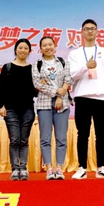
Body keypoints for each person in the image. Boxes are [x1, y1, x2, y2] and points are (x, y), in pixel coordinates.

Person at [68, 19, 104, 179]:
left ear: (97, 31)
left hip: (102, 100)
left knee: (101, 134)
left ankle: (101, 168)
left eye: (92, 28)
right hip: (83, 98)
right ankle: (82, 168)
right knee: (82, 134)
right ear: (82, 32)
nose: (90, 31)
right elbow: (71, 75)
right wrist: (86, 66)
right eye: (86, 29)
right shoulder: (75, 54)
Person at [32, 36, 73, 180]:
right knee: (45, 138)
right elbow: (37, 84)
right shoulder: (37, 64)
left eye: (50, 44)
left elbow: (68, 79)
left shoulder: (63, 62)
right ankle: (49, 168)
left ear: (55, 46)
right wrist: (56, 91)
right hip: (44, 104)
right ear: (40, 48)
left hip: (63, 104)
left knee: (61, 138)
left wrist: (60, 96)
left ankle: (59, 168)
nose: (48, 47)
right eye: (44, 45)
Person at [0, 38, 37, 181]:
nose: (23, 51)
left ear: (29, 51)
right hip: (10, 109)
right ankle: (15, 169)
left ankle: (23, 168)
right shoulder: (7, 67)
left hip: (27, 109)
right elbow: (1, 89)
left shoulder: (33, 69)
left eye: (26, 48)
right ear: (15, 50)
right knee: (14, 140)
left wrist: (41, 85)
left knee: (24, 140)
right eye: (20, 48)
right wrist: (1, 105)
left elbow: (35, 91)